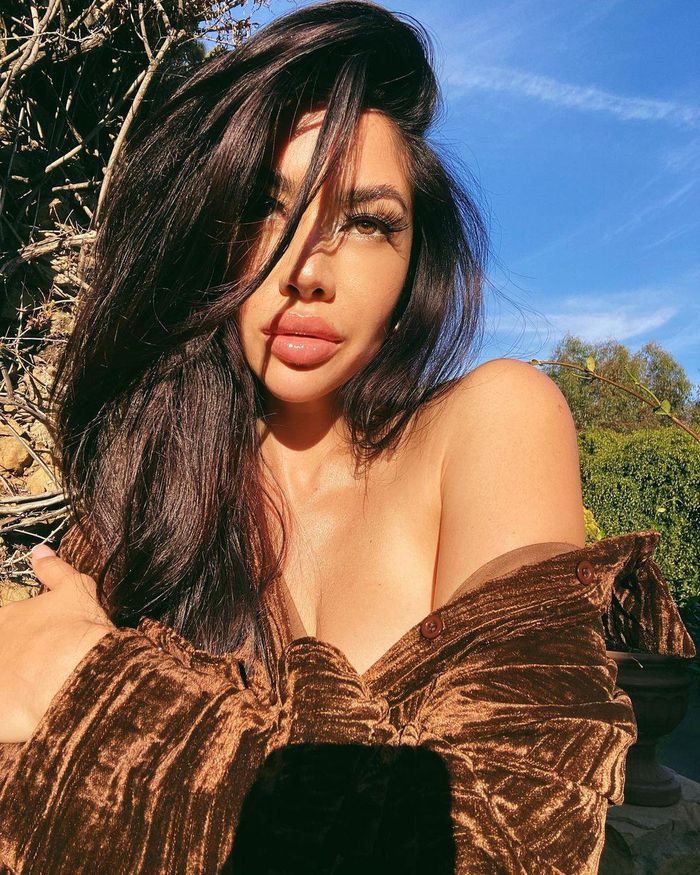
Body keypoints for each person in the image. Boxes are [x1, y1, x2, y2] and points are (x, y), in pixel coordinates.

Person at [0, 2, 695, 873]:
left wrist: (93, 686)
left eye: (367, 222)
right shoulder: (149, 498)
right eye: (265, 207)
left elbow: (514, 840)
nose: (310, 271)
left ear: (414, 262)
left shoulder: (492, 422)